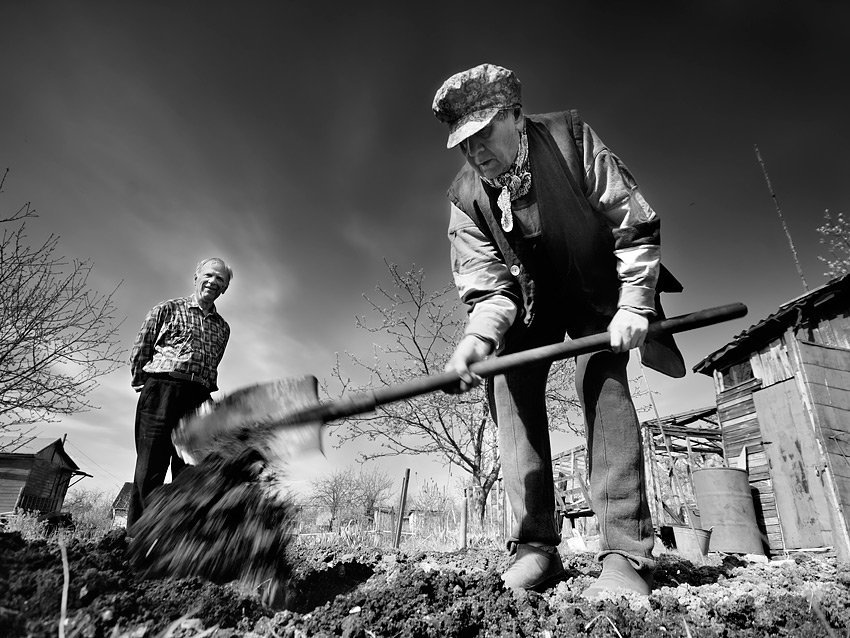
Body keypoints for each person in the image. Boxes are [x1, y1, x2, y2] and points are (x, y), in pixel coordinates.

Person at [431, 63, 685, 598]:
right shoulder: (464, 199)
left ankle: (626, 554)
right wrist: (477, 340)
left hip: (599, 291)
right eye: (463, 143)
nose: (474, 152)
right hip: (530, 303)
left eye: (483, 134)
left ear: (516, 117)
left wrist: (636, 302)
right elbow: (488, 286)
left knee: (601, 383)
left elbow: (631, 218)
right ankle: (535, 548)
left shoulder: (570, 139)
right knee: (510, 383)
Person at [127, 257, 233, 533]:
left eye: (220, 280)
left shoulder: (223, 328)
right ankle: (138, 538)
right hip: (162, 391)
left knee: (190, 471)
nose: (213, 282)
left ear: (224, 289)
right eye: (209, 275)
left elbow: (214, 363)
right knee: (150, 466)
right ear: (196, 277)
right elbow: (141, 350)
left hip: (199, 399)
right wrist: (146, 385)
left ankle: (175, 538)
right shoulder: (166, 309)